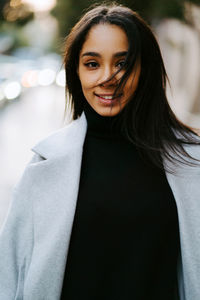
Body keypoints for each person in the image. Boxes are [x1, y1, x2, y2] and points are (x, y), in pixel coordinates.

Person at [0, 3, 199, 300]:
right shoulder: (44, 166)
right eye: (92, 64)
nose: (108, 77)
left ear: (145, 70)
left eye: (122, 63)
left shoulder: (190, 164)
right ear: (76, 72)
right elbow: (9, 278)